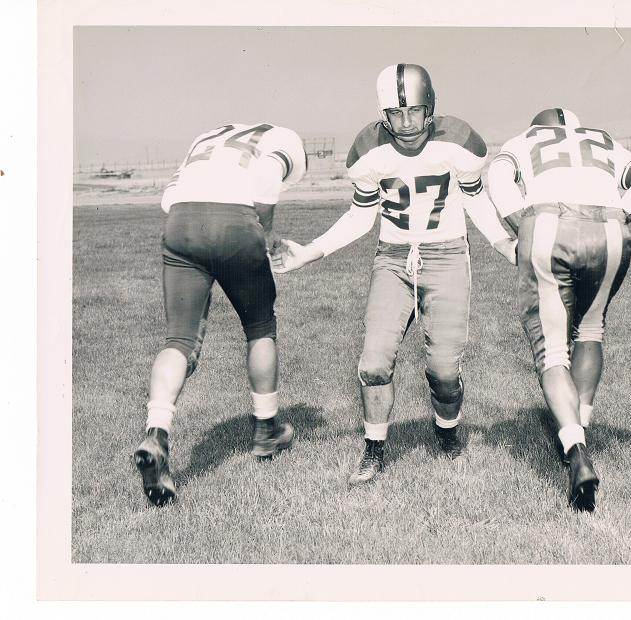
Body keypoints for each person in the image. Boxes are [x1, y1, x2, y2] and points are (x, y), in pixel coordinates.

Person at [272, 64, 517, 486]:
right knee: (373, 363)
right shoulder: (369, 150)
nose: (405, 123)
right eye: (396, 113)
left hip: (447, 254)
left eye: (414, 111)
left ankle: (447, 432)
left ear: (430, 108)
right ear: (383, 114)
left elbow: (476, 200)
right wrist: (310, 252)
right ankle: (374, 448)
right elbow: (360, 214)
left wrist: (504, 243)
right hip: (393, 257)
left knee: (443, 371)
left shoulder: (458, 141)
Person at [487, 108, 631, 512]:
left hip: (550, 223)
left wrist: (521, 224)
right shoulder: (601, 138)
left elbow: (497, 177)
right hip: (610, 230)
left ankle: (575, 448)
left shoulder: (525, 140)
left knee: (552, 350)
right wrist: (623, 213)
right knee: (591, 328)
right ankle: (580, 425)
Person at [134, 122, 307, 506]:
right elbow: (267, 178)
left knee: (179, 339)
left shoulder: (206, 137)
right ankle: (266, 430)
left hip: (181, 222)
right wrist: (266, 233)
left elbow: (169, 198)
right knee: (260, 327)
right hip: (235, 224)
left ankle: (156, 433)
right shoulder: (285, 140)